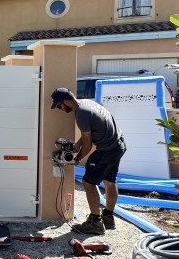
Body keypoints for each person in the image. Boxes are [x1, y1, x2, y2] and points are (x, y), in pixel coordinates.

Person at [51, 87, 126, 235]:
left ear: (66, 101)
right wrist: (78, 144)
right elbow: (88, 135)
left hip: (106, 150)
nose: (59, 108)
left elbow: (88, 145)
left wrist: (78, 158)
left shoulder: (81, 115)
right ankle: (108, 216)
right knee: (110, 181)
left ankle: (95, 222)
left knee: (88, 183)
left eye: (59, 105)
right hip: (118, 145)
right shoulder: (86, 103)